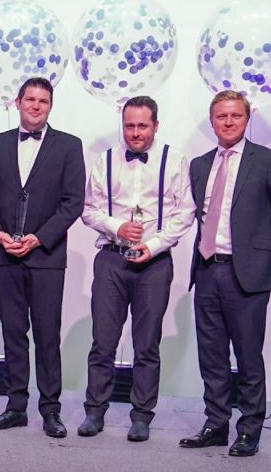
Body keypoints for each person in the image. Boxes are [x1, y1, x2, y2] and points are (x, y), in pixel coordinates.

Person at [179, 90, 271, 457]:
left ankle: (249, 430)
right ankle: (216, 424)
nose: (228, 122)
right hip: (206, 271)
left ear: (247, 120)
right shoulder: (200, 164)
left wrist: (259, 252)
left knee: (248, 356)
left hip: (246, 275)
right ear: (212, 121)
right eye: (222, 116)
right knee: (211, 356)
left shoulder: (267, 160)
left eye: (236, 116)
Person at [78, 96, 195, 442]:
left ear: (156, 126)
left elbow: (185, 213)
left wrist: (154, 244)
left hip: (154, 264)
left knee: (147, 344)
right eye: (129, 126)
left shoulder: (175, 161)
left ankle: (142, 416)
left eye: (143, 126)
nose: (135, 133)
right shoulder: (105, 160)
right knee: (103, 341)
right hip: (111, 259)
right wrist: (117, 227)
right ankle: (94, 412)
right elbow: (88, 209)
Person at [0, 77, 85, 437]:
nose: (36, 106)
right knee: (13, 334)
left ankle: (51, 410)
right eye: (31, 99)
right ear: (17, 102)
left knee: (48, 336)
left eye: (43, 101)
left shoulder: (69, 146)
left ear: (50, 106)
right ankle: (15, 407)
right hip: (4, 255)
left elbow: (73, 203)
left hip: (46, 257)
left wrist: (39, 238)